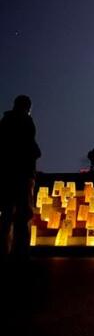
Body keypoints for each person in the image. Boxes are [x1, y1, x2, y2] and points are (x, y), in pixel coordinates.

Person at [0, 95, 41, 259]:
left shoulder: (4, 122)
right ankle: (21, 252)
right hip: (23, 174)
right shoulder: (25, 121)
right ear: (27, 107)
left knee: (6, 213)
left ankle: (3, 249)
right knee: (24, 213)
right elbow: (32, 148)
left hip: (6, 174)